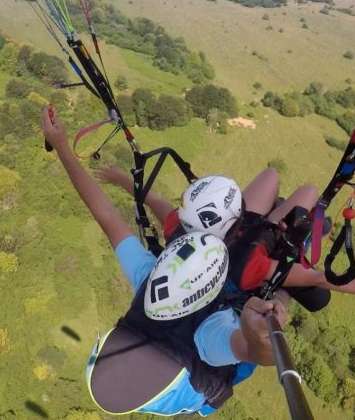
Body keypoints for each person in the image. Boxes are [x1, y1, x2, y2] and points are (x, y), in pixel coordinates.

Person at [40, 106, 288, 416]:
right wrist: (257, 327)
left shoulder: (149, 277)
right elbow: (255, 353)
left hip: (171, 372)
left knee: (276, 286)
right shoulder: (210, 333)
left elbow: (105, 215)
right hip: (194, 379)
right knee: (281, 293)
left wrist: (63, 147)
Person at [96, 165, 355, 314]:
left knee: (273, 174)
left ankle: (277, 217)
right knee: (308, 193)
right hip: (257, 241)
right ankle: (297, 239)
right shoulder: (254, 266)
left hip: (244, 231)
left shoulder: (180, 231)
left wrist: (124, 180)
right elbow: (320, 278)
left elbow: (158, 204)